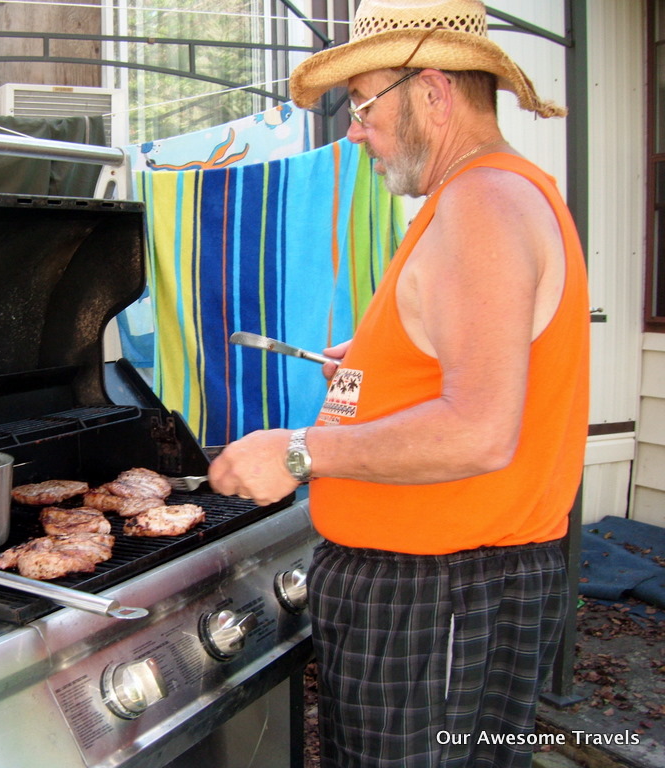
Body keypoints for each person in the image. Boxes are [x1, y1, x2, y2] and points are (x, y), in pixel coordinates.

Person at [207, 0, 589, 765]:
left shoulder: (482, 203)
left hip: (438, 596)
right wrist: (379, 362)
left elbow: (478, 432)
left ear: (434, 93)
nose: (354, 130)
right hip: (444, 590)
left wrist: (296, 453)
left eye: (362, 103)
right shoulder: (488, 195)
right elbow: (467, 362)